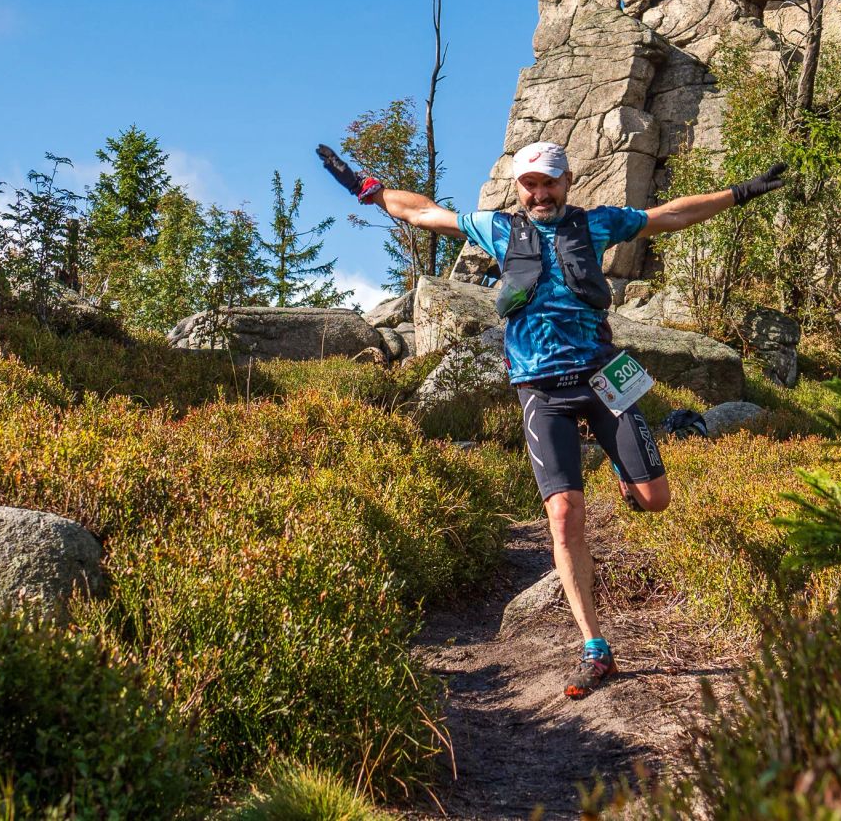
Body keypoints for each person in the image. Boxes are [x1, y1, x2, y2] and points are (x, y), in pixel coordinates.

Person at [318, 141, 786, 698]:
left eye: (549, 183)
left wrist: (741, 192)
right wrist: (365, 190)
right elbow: (421, 211)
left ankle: (626, 474)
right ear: (518, 188)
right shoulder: (496, 229)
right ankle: (595, 647)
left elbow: (672, 214)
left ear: (567, 182)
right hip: (541, 390)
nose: (539, 193)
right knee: (563, 516)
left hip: (603, 378)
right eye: (530, 184)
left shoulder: (599, 224)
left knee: (656, 499)